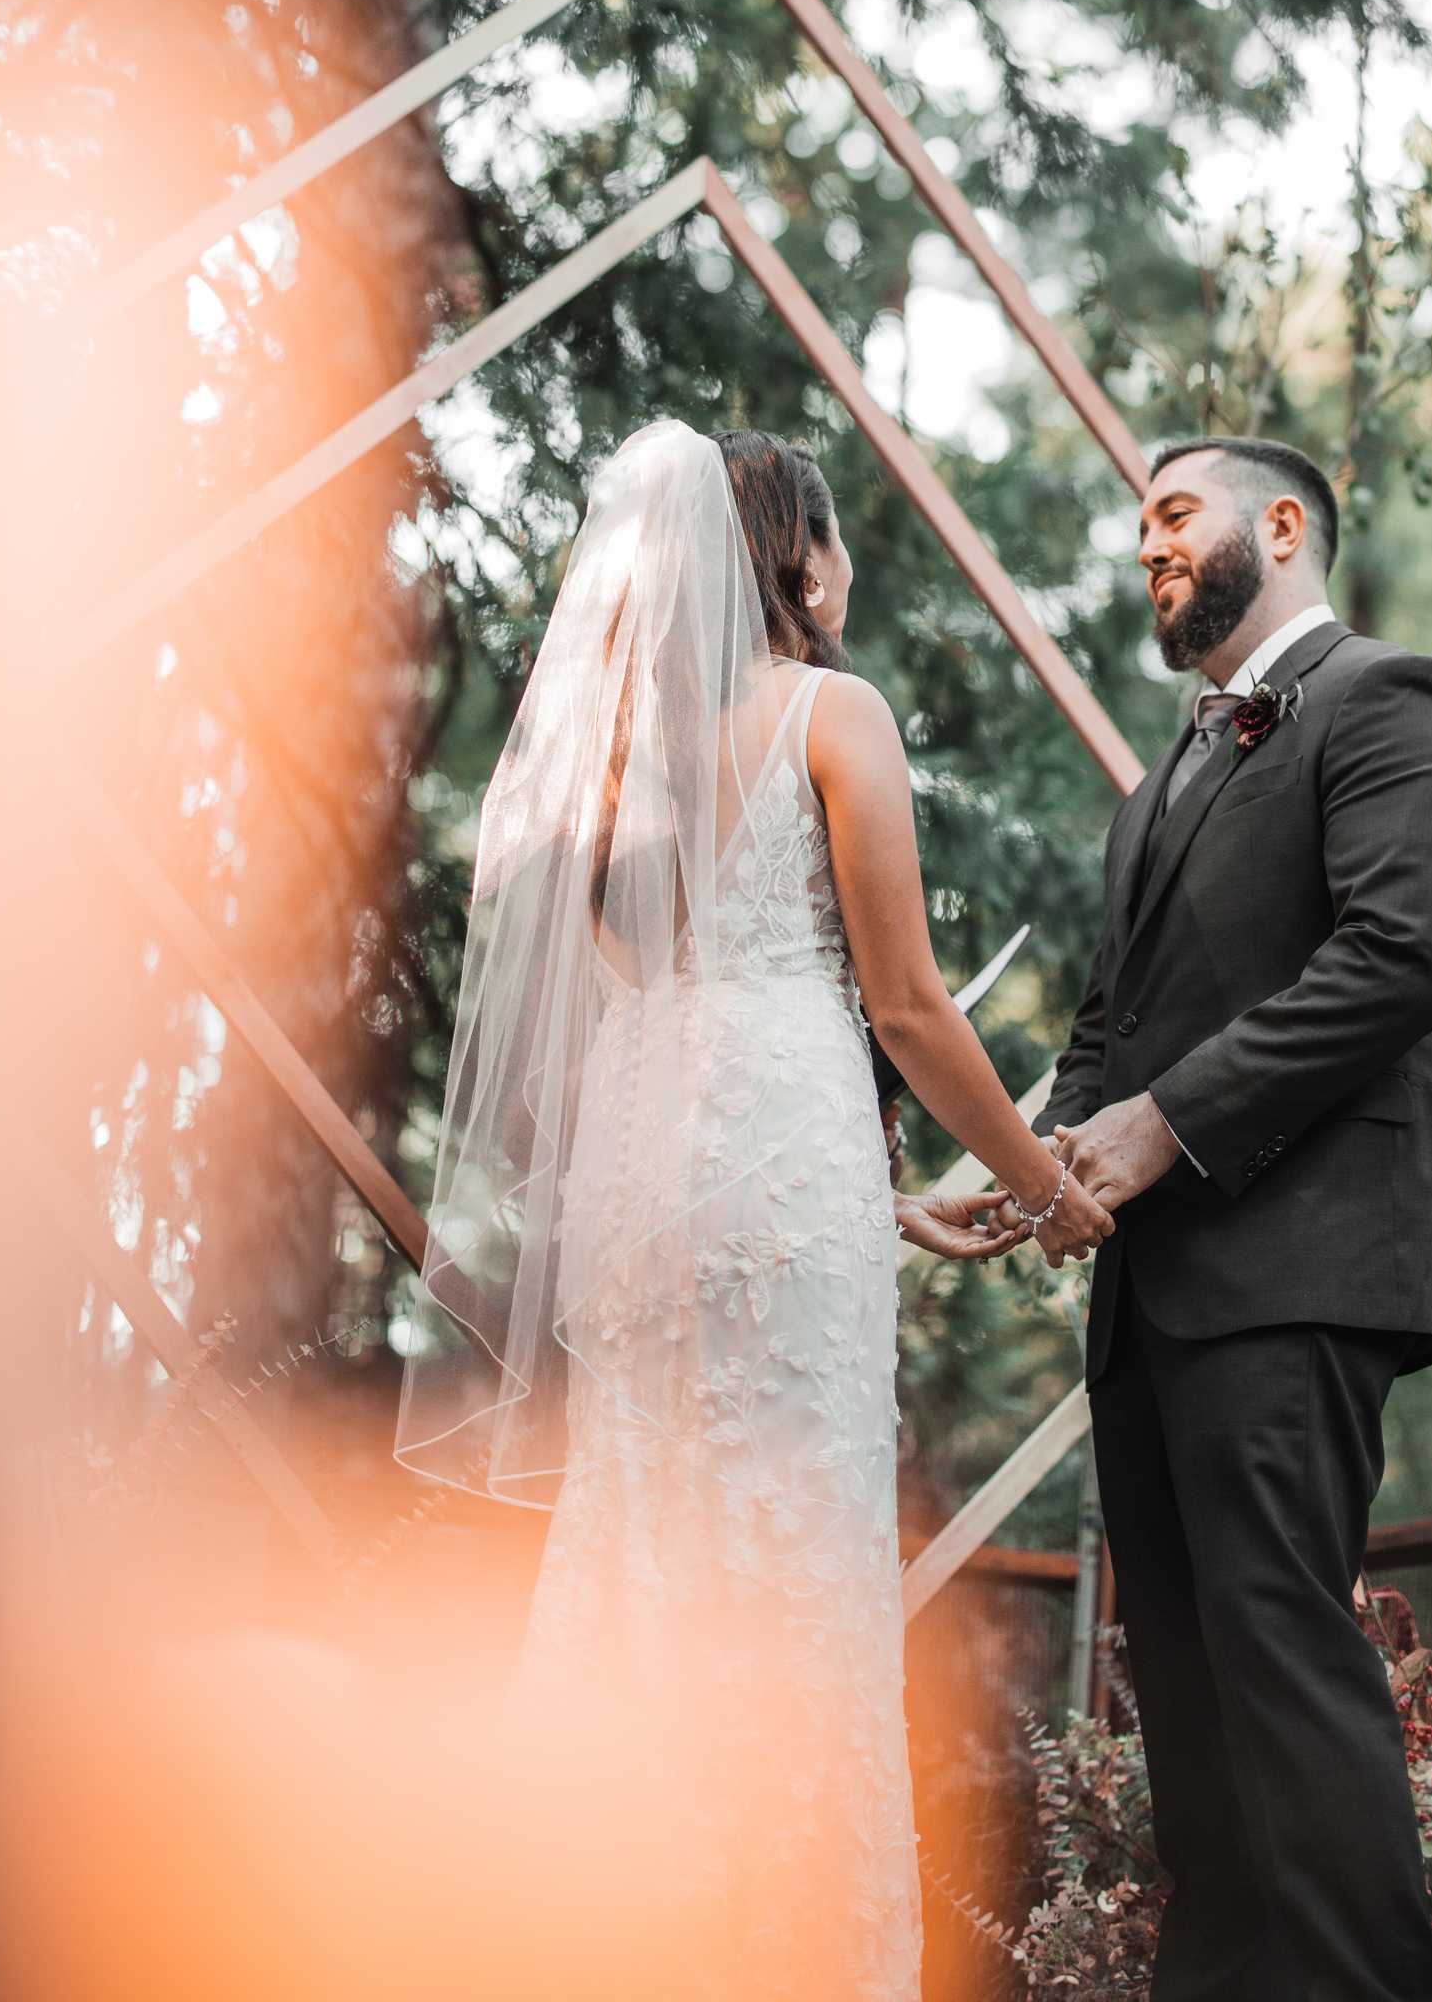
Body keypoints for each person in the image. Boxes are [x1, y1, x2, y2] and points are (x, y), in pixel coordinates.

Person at [393, 419, 1110, 2002]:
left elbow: (655, 1007)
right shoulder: (832, 714)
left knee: (646, 1531)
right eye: (836, 534)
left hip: (645, 1183)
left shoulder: (613, 772)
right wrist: (1043, 1184)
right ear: (796, 553)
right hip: (780, 1150)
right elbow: (909, 1008)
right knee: (790, 1558)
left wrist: (892, 1203)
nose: (847, 565)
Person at [1023, 434, 1432, 2002]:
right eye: (1142, 524)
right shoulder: (1160, 780)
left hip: (1298, 1265)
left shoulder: (1394, 700)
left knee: (1282, 1667)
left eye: (1175, 513)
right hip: (1152, 1297)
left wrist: (1161, 1130)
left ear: (1281, 525)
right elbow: (1111, 1025)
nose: (1148, 544)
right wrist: (1034, 1166)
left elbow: (1402, 958)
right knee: (1186, 1699)